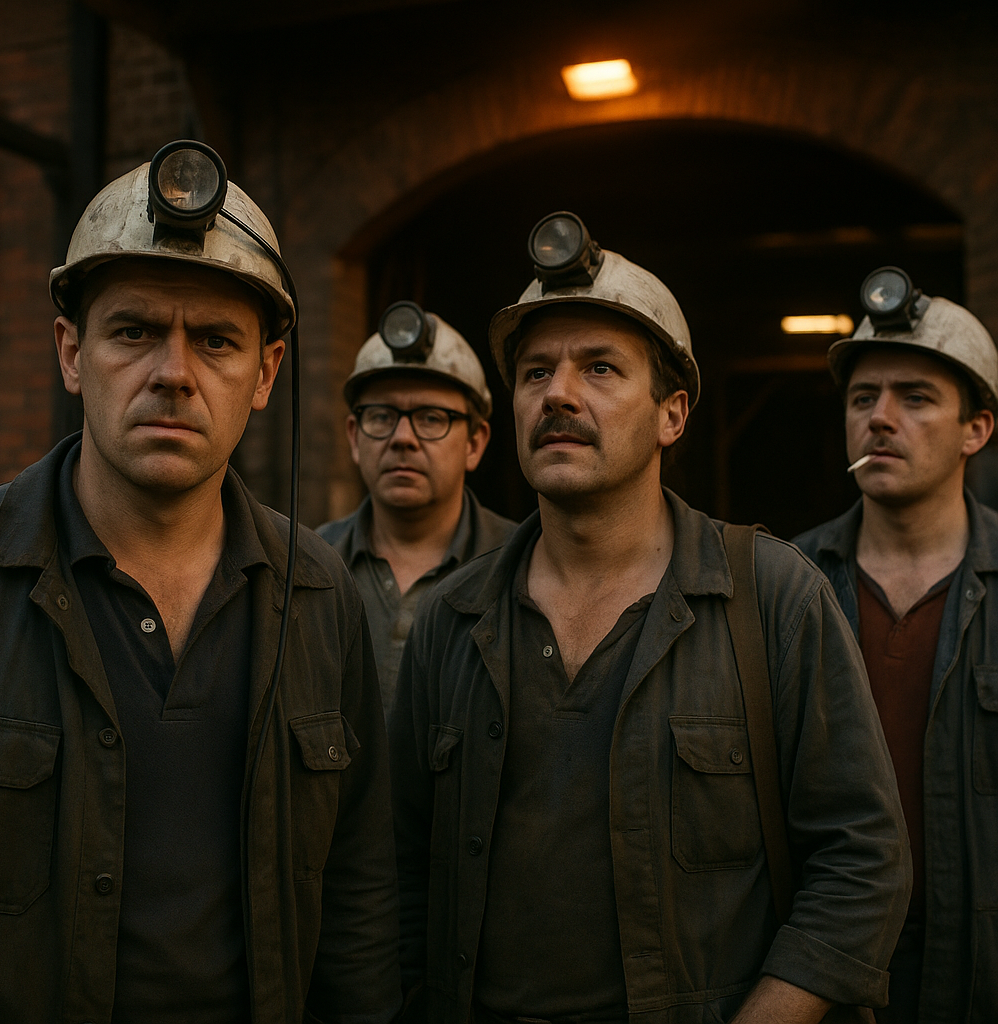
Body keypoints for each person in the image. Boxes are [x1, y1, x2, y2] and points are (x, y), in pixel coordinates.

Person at [390, 213, 912, 1024]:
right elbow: (398, 875)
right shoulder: (451, 622)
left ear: (672, 415)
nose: (558, 393)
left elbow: (864, 861)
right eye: (535, 373)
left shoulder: (772, 599)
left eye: (600, 369)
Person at [0, 142, 400, 1024]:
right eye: (133, 331)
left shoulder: (322, 598)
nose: (174, 373)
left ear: (266, 375)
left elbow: (358, 896)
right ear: (69, 351)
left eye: (215, 341)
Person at [794, 267, 998, 1023]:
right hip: (828, 981)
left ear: (976, 428)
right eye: (862, 399)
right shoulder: (786, 584)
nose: (880, 419)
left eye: (915, 399)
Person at [318, 302, 515, 716]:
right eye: (382, 415)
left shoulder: (525, 568)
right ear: (354, 437)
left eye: (430, 418)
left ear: (475, 442)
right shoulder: (308, 566)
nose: (402, 438)